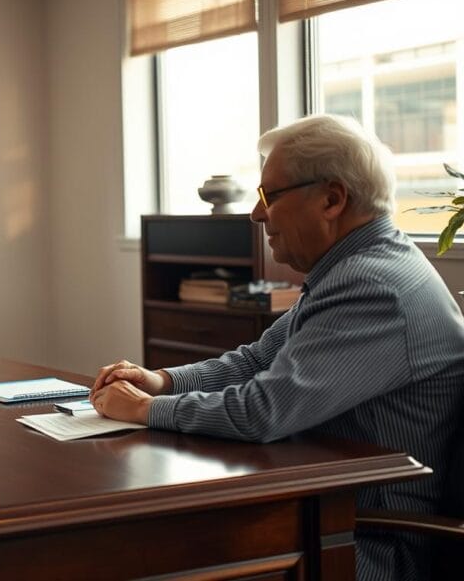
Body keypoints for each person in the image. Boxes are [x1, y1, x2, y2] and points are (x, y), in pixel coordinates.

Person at [90, 114, 464, 581]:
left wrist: (146, 410)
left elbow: (261, 411)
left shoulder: (373, 286)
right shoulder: (353, 268)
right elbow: (258, 360)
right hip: (323, 510)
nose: (256, 213)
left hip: (364, 542)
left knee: (151, 552)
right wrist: (162, 381)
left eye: (269, 195)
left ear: (332, 198)